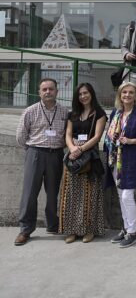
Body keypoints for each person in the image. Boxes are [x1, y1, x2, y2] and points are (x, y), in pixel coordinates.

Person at [14, 78, 68, 246]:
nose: (47, 92)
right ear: (39, 92)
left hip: (56, 155)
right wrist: (32, 150)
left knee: (53, 193)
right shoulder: (30, 111)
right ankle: (25, 229)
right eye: (44, 89)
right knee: (30, 193)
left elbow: (67, 134)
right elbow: (20, 136)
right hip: (35, 153)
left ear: (57, 92)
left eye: (51, 89)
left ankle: (52, 224)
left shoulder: (64, 112)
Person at [104, 82, 136, 248]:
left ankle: (132, 232)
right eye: (124, 92)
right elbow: (109, 134)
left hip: (133, 160)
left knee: (126, 196)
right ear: (120, 95)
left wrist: (132, 141)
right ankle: (125, 229)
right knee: (120, 196)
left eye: (131, 92)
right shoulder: (116, 113)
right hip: (115, 161)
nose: (127, 95)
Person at [59, 83, 107, 244]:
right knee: (70, 196)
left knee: (89, 196)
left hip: (89, 158)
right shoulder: (73, 114)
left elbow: (97, 137)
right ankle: (72, 230)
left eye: (85, 93)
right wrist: (72, 149)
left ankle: (88, 230)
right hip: (73, 158)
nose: (83, 96)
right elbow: (68, 134)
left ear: (91, 94)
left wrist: (80, 150)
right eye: (80, 94)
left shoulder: (99, 114)